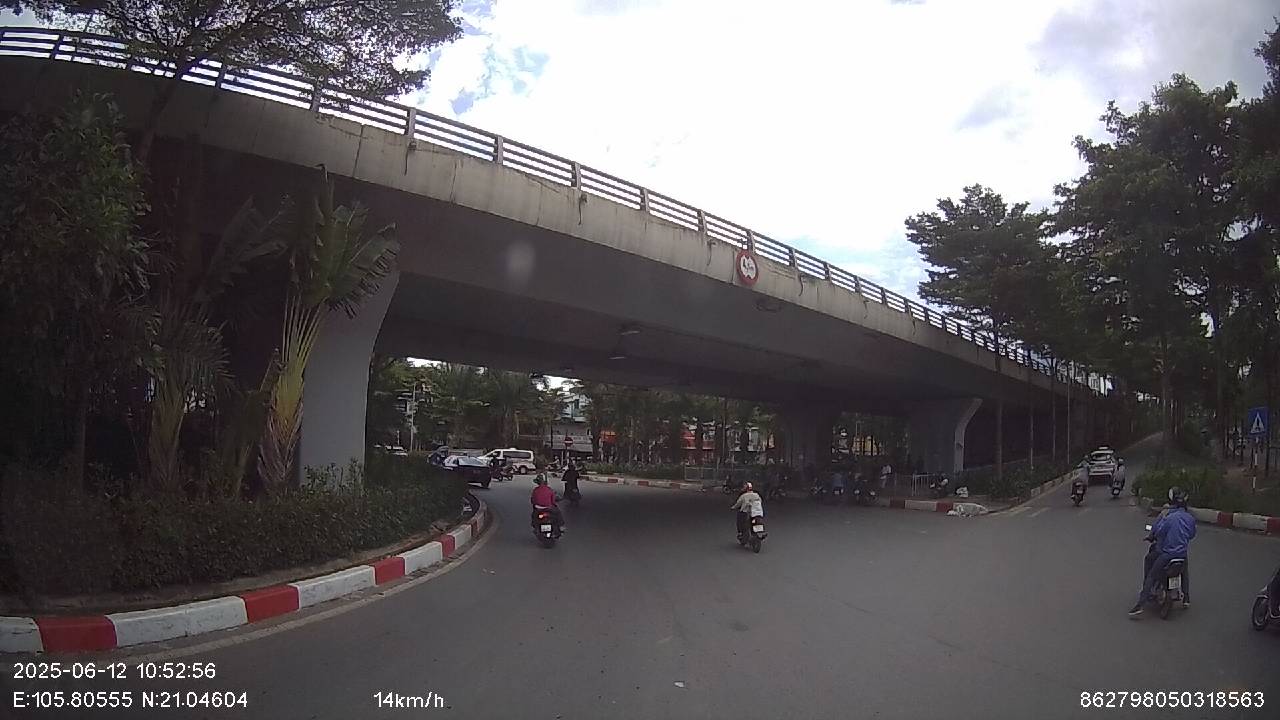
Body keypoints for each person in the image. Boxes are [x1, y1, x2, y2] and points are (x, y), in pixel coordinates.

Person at [1129, 486, 1196, 617]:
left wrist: (1153, 536)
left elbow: (1159, 532)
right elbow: (1192, 534)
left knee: (1151, 573)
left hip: (1167, 554)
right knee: (1184, 571)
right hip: (1181, 554)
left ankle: (1140, 604)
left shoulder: (1168, 516)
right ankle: (1186, 598)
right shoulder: (1190, 518)